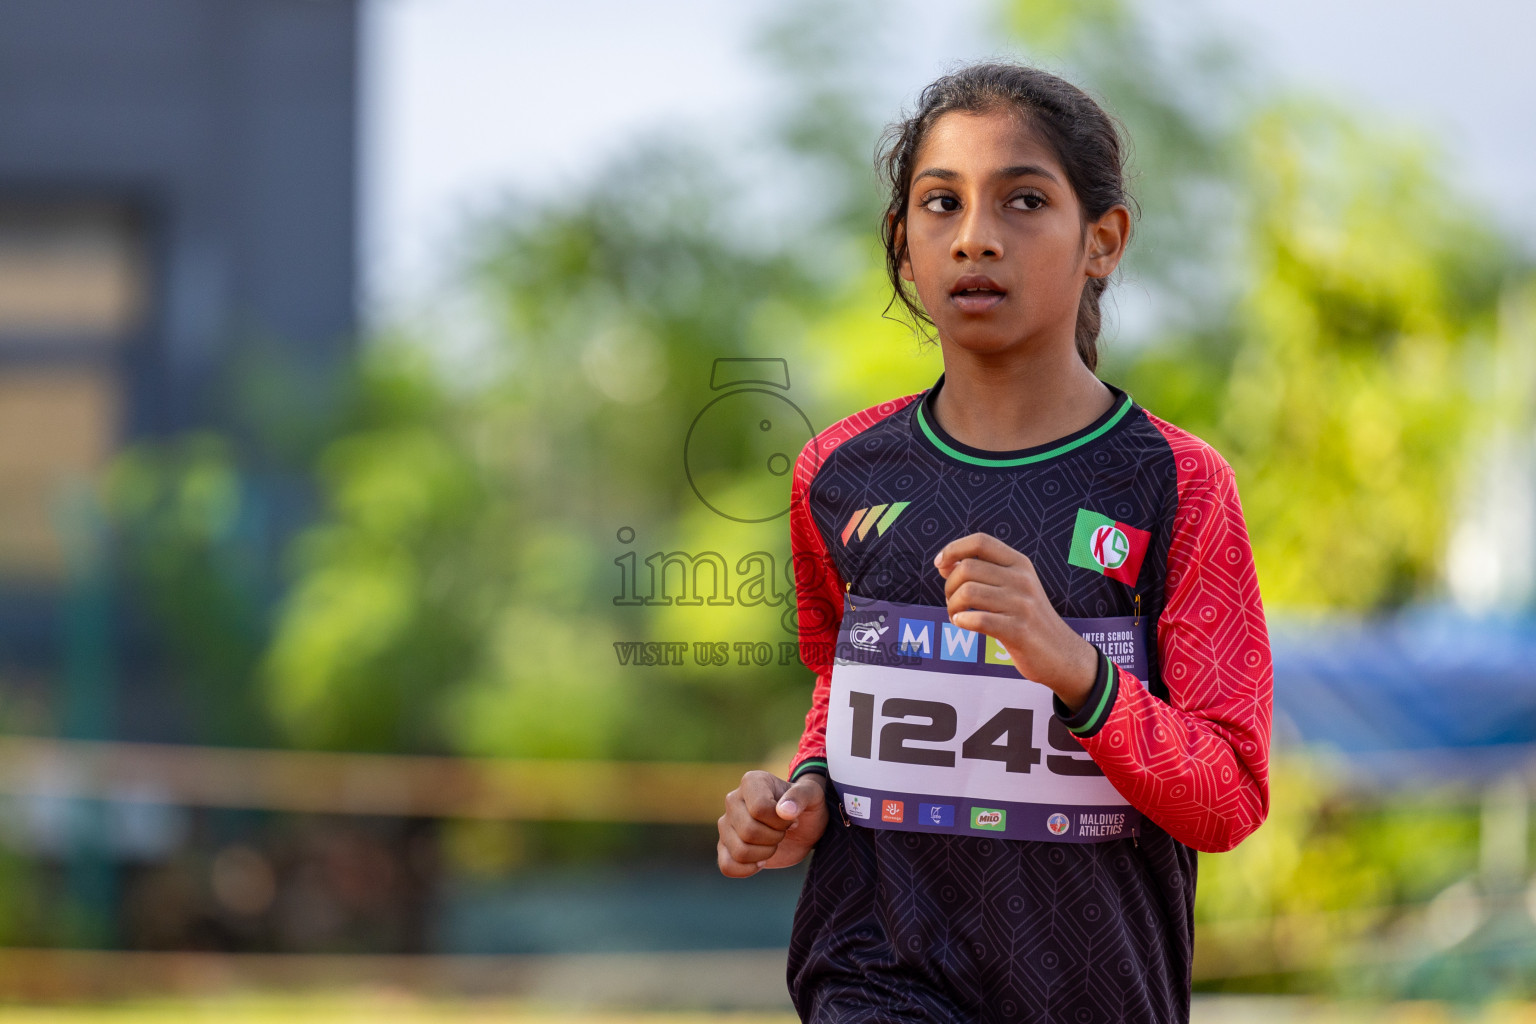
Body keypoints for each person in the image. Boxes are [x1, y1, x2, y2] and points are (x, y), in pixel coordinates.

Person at [715, 60, 1273, 1024]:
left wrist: (1077, 673)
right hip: (873, 976)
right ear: (903, 244)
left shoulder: (1176, 485)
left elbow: (1227, 797)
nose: (976, 237)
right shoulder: (837, 475)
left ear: (1103, 240)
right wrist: (803, 786)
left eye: (1023, 200)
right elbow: (841, 688)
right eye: (941, 203)